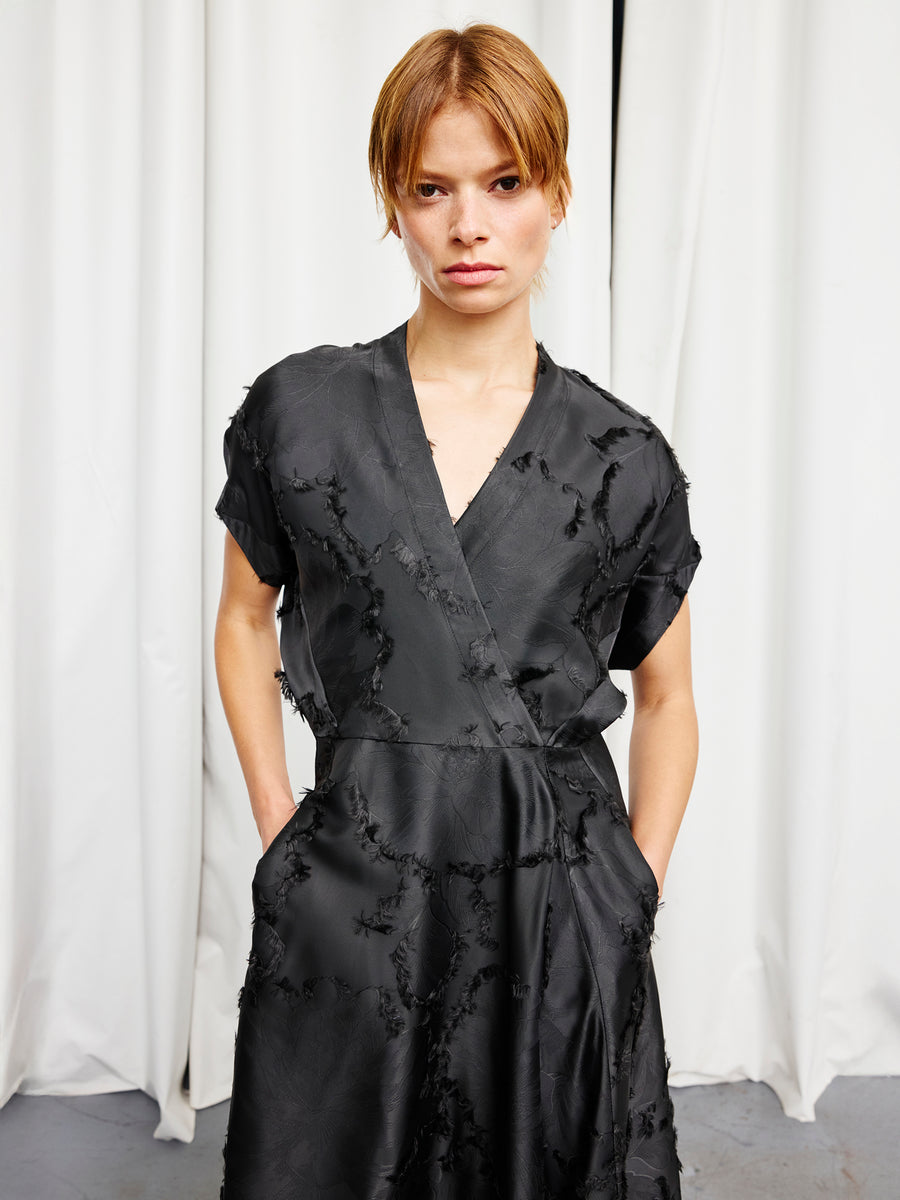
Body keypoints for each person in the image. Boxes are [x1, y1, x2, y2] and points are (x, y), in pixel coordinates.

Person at [214, 23, 700, 1200]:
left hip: (556, 908)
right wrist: (286, 837)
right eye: (432, 188)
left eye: (504, 183)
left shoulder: (623, 457)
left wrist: (632, 888)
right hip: (355, 892)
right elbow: (241, 618)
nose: (467, 225)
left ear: (557, 192)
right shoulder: (304, 413)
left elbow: (672, 695)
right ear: (393, 198)